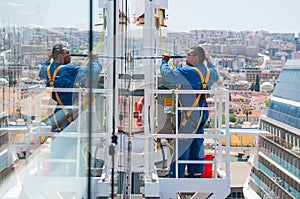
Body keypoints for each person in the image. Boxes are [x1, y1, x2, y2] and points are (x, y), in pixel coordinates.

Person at [160, 46, 218, 178]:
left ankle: (176, 174)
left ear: (196, 58)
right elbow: (215, 72)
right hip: (201, 114)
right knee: (197, 140)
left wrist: (165, 62)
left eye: (189, 54)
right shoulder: (209, 73)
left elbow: (169, 75)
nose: (186, 57)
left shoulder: (191, 72)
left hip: (189, 115)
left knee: (183, 142)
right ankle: (196, 172)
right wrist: (209, 61)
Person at [39, 43, 102, 132]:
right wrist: (94, 61)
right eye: (67, 53)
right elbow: (92, 73)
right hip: (70, 113)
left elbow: (42, 69)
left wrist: (48, 59)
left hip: (59, 112)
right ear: (60, 56)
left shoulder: (47, 70)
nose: (70, 55)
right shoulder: (66, 70)